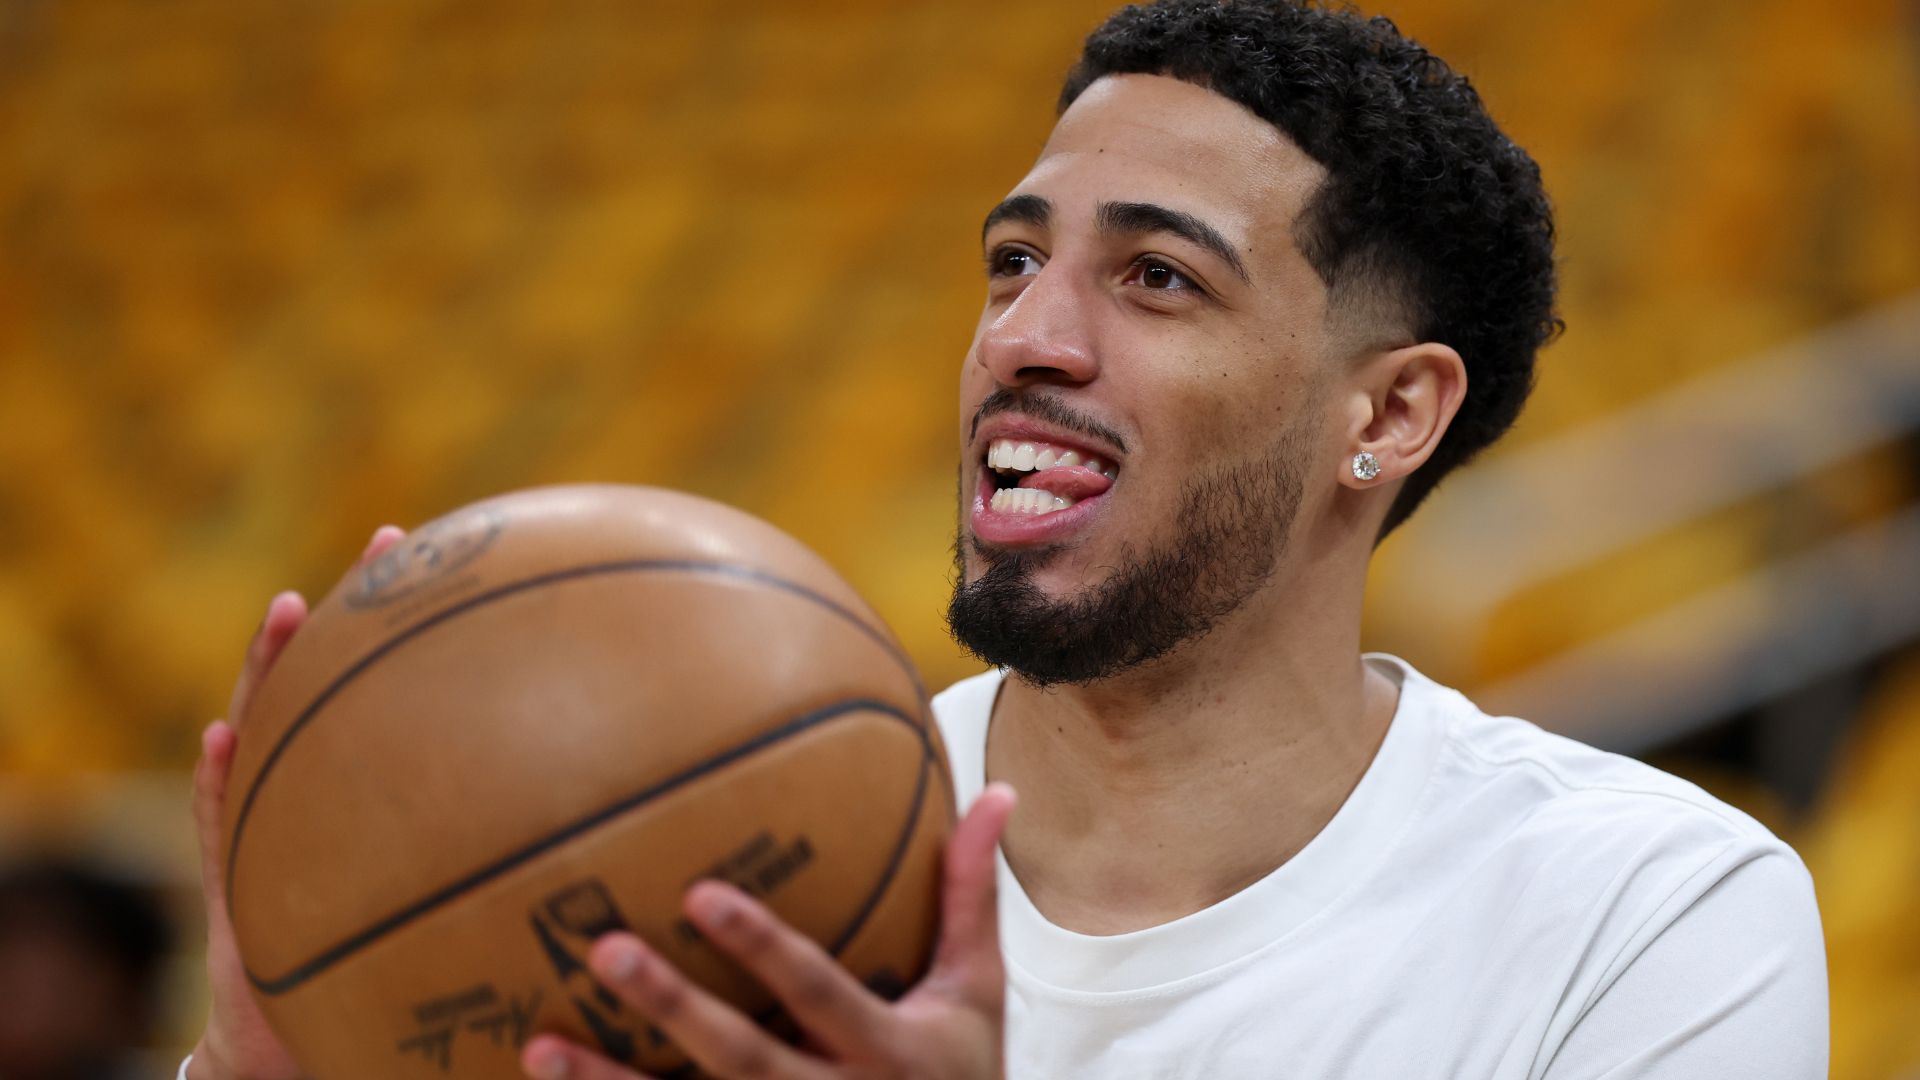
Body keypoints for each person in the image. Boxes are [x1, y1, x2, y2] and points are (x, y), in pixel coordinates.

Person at [182, 2, 1830, 1078]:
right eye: (1013, 261)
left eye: (1156, 278)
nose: (1024, 339)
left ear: (1389, 414)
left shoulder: (1643, 911)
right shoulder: (711, 845)